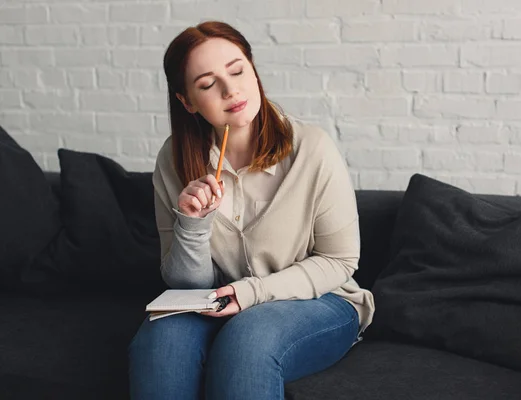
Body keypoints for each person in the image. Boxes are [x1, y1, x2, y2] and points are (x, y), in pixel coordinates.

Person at [128, 20, 375, 400]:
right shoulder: (173, 160)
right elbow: (186, 286)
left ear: (254, 70)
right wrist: (193, 225)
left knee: (249, 338)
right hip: (217, 301)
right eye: (208, 84)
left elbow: (339, 260)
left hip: (320, 299)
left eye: (238, 70)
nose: (231, 89)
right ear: (187, 101)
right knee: (160, 342)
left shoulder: (313, 149)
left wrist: (251, 293)